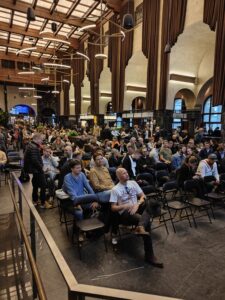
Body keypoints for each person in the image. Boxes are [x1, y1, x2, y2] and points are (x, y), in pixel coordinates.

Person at [110, 168, 163, 268]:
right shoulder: (115, 189)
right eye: (123, 173)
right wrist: (125, 206)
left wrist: (137, 205)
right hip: (126, 213)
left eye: (126, 172)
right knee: (146, 222)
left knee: (152, 202)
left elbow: (143, 196)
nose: (126, 174)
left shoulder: (133, 183)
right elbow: (113, 207)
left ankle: (140, 227)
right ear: (118, 176)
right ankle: (149, 255)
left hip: (136, 207)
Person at [24, 133, 52, 208]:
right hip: (36, 170)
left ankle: (35, 200)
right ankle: (43, 203)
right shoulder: (33, 147)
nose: (42, 141)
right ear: (37, 139)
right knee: (43, 185)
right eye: (41, 139)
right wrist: (41, 168)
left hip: (34, 170)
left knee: (35, 185)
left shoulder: (31, 145)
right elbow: (35, 160)